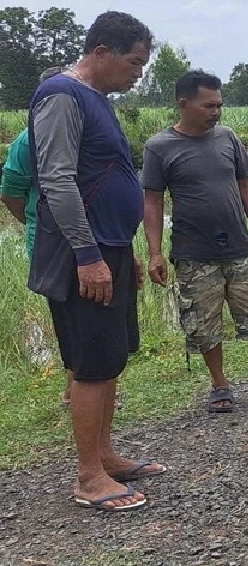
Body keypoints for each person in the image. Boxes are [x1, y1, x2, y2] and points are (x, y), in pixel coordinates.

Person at [28, 11, 164, 512]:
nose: (138, 74)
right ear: (101, 51)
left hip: (109, 246)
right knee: (91, 362)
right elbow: (57, 179)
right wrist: (87, 254)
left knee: (110, 356)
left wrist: (123, 247)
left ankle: (105, 456)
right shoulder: (63, 95)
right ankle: (89, 477)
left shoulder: (96, 99)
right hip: (82, 252)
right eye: (133, 62)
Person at [141, 70, 248, 413]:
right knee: (204, 324)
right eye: (208, 106)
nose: (216, 112)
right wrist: (154, 253)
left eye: (219, 105)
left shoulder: (227, 138)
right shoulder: (159, 147)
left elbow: (246, 185)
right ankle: (220, 386)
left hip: (239, 247)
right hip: (194, 253)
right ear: (184, 103)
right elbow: (153, 201)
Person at [0, 66, 122, 410]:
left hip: (96, 240)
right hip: (61, 245)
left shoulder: (87, 130)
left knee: (98, 334)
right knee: (79, 331)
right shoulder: (26, 141)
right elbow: (10, 193)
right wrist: (36, 222)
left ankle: (88, 392)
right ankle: (78, 392)